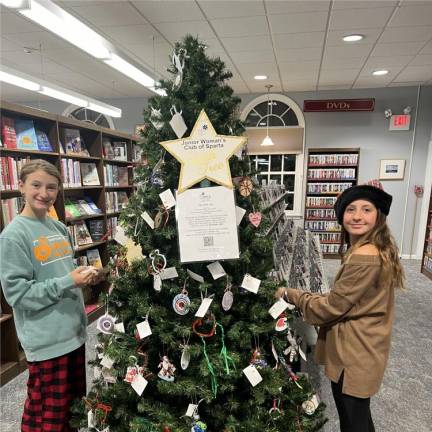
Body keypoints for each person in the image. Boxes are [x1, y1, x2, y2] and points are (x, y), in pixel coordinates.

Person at [276, 182, 405, 432]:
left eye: (366, 209)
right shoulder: (371, 248)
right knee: (358, 417)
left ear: (379, 215)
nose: (357, 216)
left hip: (355, 352)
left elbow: (331, 308)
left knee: (352, 420)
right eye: (350, 209)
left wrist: (291, 294)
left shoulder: (364, 256)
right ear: (341, 215)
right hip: (364, 346)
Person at [0, 159, 98, 432]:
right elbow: (18, 295)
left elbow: (60, 275)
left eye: (52, 187)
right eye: (36, 185)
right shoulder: (13, 236)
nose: (44, 193)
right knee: (46, 417)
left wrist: (81, 275)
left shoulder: (57, 228)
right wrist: (69, 280)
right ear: (21, 186)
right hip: (46, 342)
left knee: (73, 412)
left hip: (74, 334)